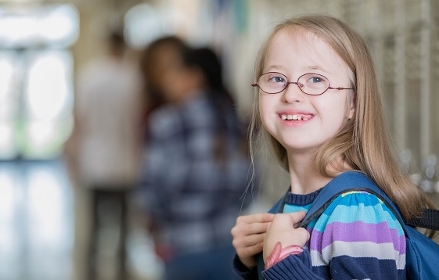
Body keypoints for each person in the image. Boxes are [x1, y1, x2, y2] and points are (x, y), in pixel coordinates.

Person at [231, 14, 437, 279]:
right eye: (276, 78)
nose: (291, 94)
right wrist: (252, 261)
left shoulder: (356, 212)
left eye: (316, 79)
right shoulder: (295, 203)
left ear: (353, 103)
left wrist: (281, 261)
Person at [135, 38, 253, 280]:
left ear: (194, 76)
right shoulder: (234, 122)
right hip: (231, 248)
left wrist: (156, 231)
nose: (166, 79)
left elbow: (150, 190)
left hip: (182, 248)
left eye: (174, 71)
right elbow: (251, 186)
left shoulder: (166, 123)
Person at [66, 29, 142, 280]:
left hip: (93, 161)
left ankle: (89, 273)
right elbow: (135, 125)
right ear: (123, 46)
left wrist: (72, 159)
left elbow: (80, 122)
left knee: (93, 227)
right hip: (124, 162)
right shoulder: (132, 77)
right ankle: (121, 272)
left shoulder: (88, 76)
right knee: (122, 227)